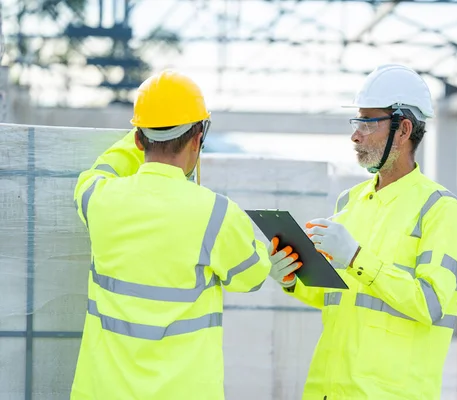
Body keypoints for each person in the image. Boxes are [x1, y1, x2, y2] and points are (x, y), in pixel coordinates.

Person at [70, 70, 301, 400]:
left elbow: (98, 172)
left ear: (138, 139)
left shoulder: (99, 199)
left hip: (102, 391)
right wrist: (271, 263)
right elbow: (249, 278)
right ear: (198, 138)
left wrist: (144, 129)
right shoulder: (218, 214)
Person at [269, 64, 457, 399]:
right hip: (326, 390)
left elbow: (430, 303)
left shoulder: (440, 209)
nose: (355, 134)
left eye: (367, 121)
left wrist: (358, 258)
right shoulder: (350, 202)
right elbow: (333, 295)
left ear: (403, 130)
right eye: (356, 122)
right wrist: (292, 277)